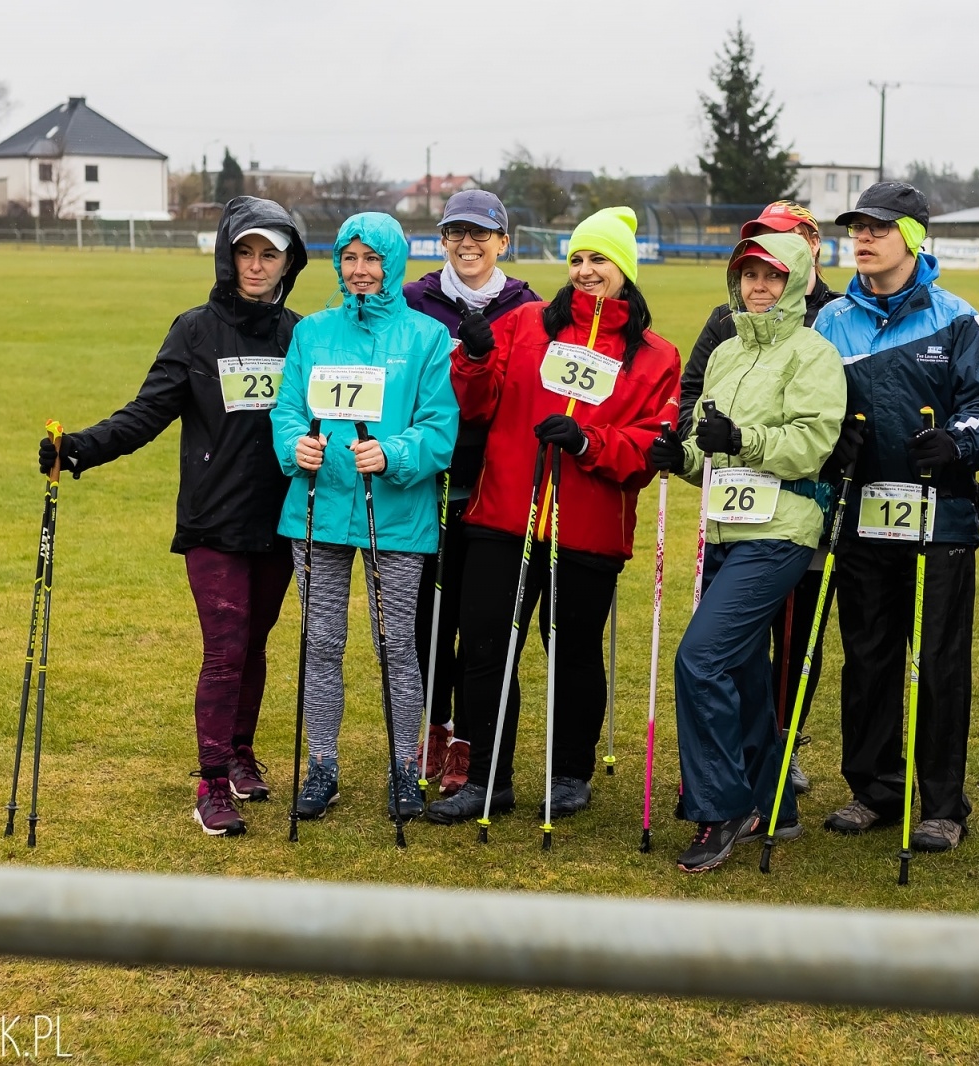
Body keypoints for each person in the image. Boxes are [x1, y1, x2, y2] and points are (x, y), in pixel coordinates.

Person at [35, 196, 307, 837]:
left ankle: (240, 752)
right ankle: (211, 783)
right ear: (227, 254)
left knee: (257, 642)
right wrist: (78, 449)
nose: (257, 265)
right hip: (214, 519)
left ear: (289, 261)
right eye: (246, 251)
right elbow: (146, 412)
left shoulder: (301, 333)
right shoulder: (194, 330)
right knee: (225, 647)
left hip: (281, 518)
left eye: (270, 253)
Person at [425, 206, 681, 826]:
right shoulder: (523, 324)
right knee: (485, 650)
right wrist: (476, 359)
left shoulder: (655, 354)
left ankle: (569, 772)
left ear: (625, 269)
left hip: (588, 530)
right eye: (578, 259)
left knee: (572, 653)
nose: (587, 271)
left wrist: (589, 441)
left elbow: (651, 448)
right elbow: (475, 408)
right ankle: (486, 776)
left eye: (600, 260)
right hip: (504, 515)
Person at [814, 181, 979, 854]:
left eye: (879, 227)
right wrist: (828, 443)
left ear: (915, 237)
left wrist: (957, 441)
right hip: (862, 518)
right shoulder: (831, 321)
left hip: (941, 522)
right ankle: (874, 789)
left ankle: (942, 805)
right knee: (867, 660)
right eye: (857, 228)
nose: (863, 238)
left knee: (938, 665)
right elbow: (810, 408)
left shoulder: (959, 318)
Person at [650, 231, 845, 873]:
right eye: (749, 277)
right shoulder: (729, 353)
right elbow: (711, 446)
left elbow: (811, 444)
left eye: (771, 277)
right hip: (724, 528)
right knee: (742, 669)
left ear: (794, 281)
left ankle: (720, 806)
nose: (758, 288)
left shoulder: (814, 352)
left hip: (783, 527)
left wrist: (743, 437)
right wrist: (679, 454)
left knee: (700, 658)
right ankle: (773, 800)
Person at [272, 212, 458, 823]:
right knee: (321, 642)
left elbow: (439, 429)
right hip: (317, 508)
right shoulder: (313, 333)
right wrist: (294, 444)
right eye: (350, 259)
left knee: (395, 645)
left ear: (394, 263)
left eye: (372, 259)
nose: (360, 272)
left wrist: (395, 453)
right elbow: (287, 409)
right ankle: (321, 765)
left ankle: (406, 768)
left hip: (396, 514)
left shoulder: (427, 337)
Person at [403, 190, 541, 796]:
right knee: (422, 619)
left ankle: (466, 738)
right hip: (421, 487)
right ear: (442, 238)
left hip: (491, 492)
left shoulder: (529, 309)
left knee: (479, 621)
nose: (468, 243)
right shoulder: (413, 301)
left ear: (503, 242)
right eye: (456, 232)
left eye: (481, 234)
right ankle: (432, 725)